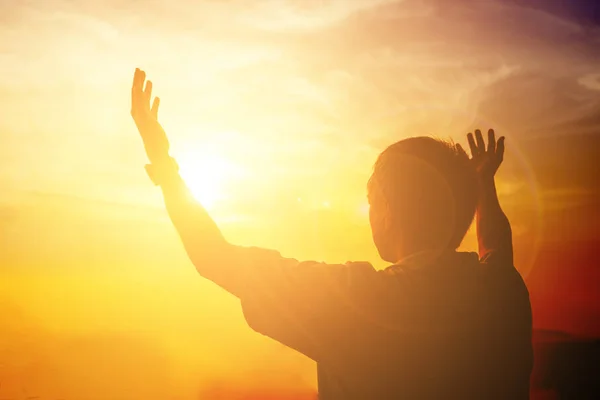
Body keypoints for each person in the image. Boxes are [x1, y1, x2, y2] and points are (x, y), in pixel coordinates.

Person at [130, 68, 533, 399]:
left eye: (373, 200)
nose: (370, 213)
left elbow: (213, 256)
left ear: (390, 209)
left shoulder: (361, 303)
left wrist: (162, 162)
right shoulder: (501, 289)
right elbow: (496, 246)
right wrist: (482, 188)